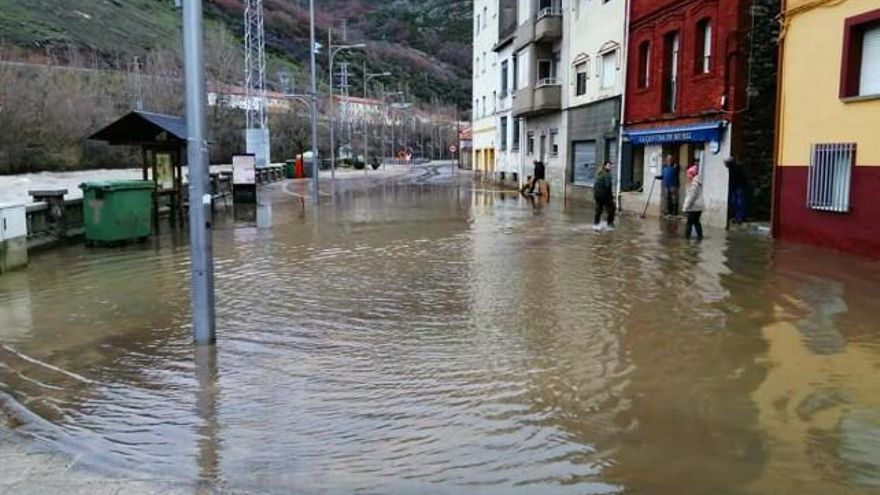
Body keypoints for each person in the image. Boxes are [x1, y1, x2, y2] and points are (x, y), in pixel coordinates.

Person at [682, 165, 704, 240]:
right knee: (697, 222)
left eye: (688, 174)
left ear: (692, 175)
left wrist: (685, 207)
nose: (687, 176)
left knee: (689, 223)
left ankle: (686, 239)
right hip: (698, 207)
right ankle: (700, 237)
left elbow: (690, 197)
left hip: (693, 207)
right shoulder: (697, 182)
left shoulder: (693, 185)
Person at [593, 161, 615, 231]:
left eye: (611, 165)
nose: (610, 167)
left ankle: (596, 224)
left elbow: (595, 184)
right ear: (605, 166)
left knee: (598, 209)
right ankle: (609, 225)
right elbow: (608, 187)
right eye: (609, 165)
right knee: (612, 209)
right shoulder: (607, 174)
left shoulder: (599, 172)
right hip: (604, 195)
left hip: (597, 194)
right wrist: (611, 197)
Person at [726, 157, 747, 224]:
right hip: (737, 187)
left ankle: (739, 217)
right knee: (736, 202)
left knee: (739, 203)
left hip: (739, 187)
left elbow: (735, 180)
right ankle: (738, 217)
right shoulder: (734, 168)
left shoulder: (736, 169)